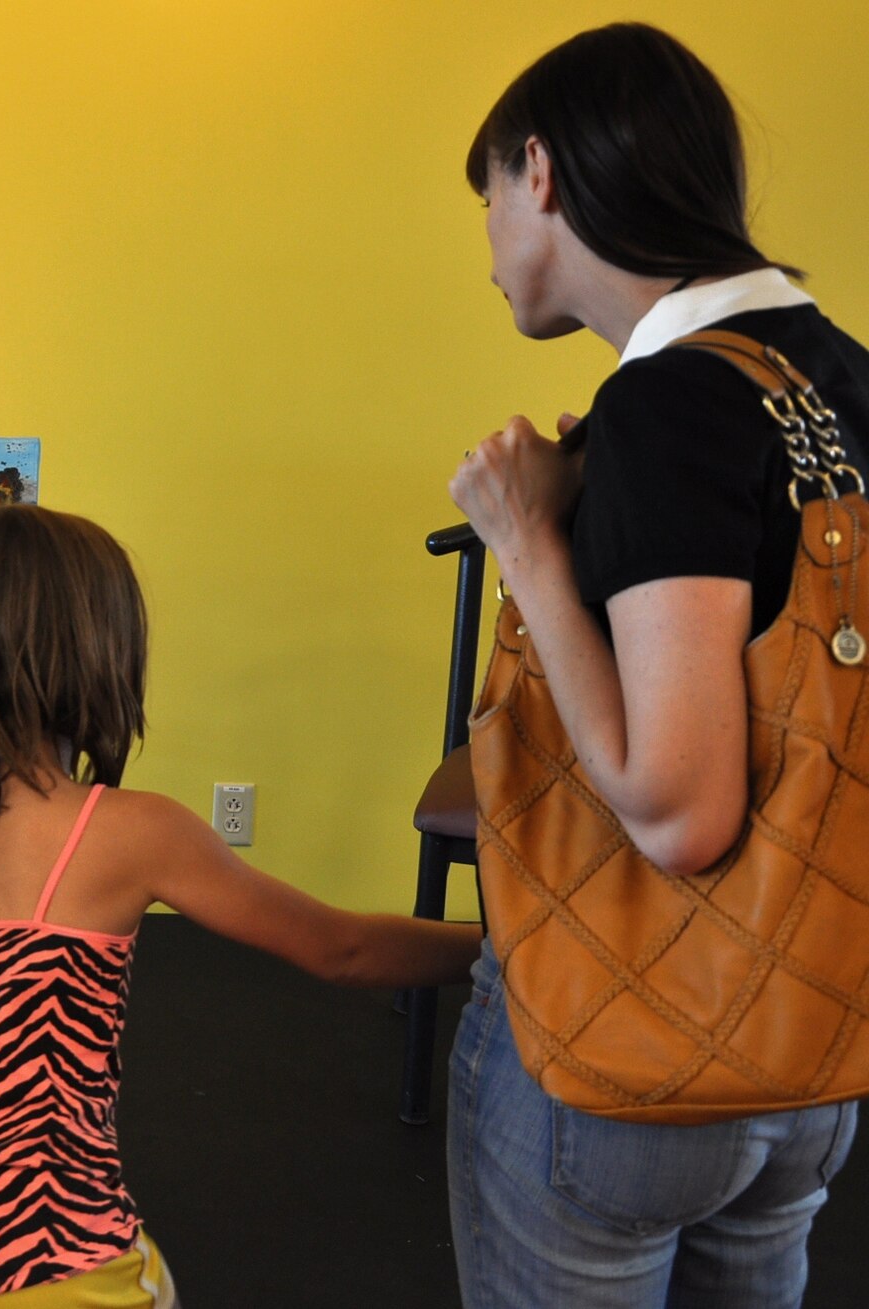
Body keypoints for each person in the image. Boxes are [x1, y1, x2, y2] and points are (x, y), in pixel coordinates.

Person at [0, 504, 481, 1308]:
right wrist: (502, 942)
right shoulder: (129, 832)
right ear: (96, 655)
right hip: (61, 1271)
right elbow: (344, 951)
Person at [447, 23, 867, 1307]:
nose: (486, 249)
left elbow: (678, 810)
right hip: (808, 1041)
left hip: (628, 1062)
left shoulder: (666, 406)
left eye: (484, 204)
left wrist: (522, 539)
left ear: (542, 173)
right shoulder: (840, 377)